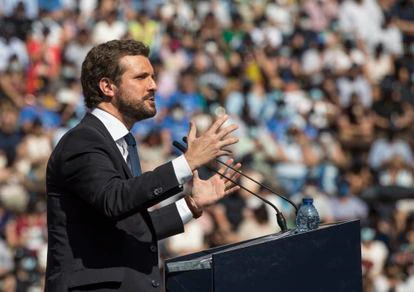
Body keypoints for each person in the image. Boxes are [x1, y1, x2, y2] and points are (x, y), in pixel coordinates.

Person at [45, 39, 240, 291]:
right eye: (141, 77)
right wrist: (186, 162)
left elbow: (131, 228)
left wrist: (191, 205)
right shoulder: (82, 141)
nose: (153, 86)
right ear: (107, 86)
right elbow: (114, 199)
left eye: (153, 76)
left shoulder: (124, 143)